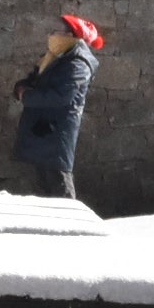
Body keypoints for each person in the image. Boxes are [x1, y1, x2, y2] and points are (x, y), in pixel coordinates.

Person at [12, 13, 103, 200]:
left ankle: (73, 227)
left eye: (57, 31)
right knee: (44, 187)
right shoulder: (55, 56)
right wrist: (22, 87)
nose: (52, 35)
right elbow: (36, 79)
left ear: (71, 36)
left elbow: (61, 96)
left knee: (60, 187)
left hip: (56, 133)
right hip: (44, 130)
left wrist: (27, 96)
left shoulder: (78, 63)